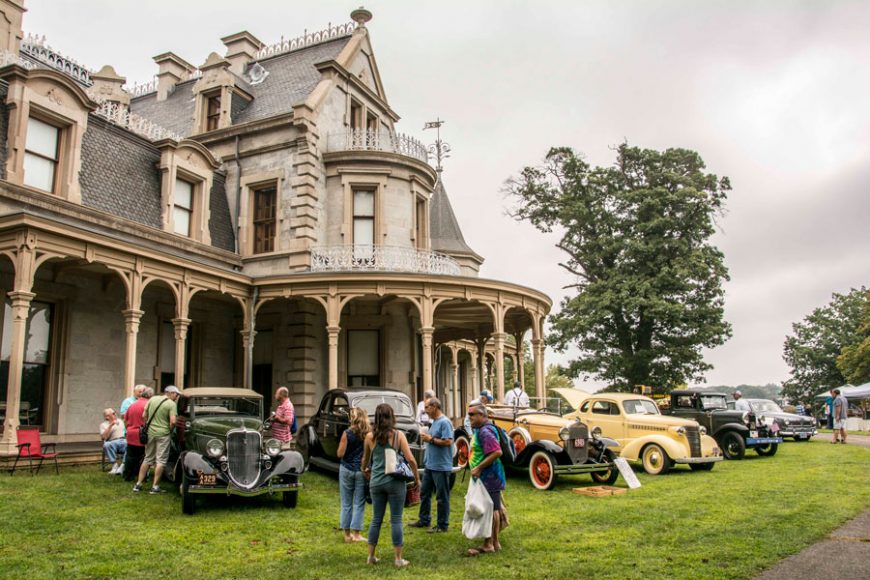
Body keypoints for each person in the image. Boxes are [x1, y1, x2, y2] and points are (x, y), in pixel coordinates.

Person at [361, 403, 420, 567]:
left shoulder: (369, 437)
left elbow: (365, 461)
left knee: (376, 520)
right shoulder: (398, 435)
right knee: (396, 520)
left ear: (377, 418)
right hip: (395, 482)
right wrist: (416, 478)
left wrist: (364, 470)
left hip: (376, 482)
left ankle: (371, 557)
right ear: (392, 417)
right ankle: (398, 559)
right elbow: (411, 459)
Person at [466, 400, 505, 556]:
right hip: (490, 476)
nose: (469, 417)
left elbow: (497, 452)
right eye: (468, 414)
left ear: (482, 415)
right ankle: (494, 542)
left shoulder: (484, 432)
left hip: (489, 476)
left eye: (472, 414)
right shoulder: (482, 429)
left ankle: (490, 543)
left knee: (492, 509)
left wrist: (478, 467)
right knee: (494, 508)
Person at [410, 397, 454, 533]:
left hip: (441, 466)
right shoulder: (434, 422)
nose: (425, 410)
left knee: (441, 497)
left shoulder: (445, 422)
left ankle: (442, 525)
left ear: (435, 406)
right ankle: (424, 520)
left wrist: (431, 439)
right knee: (424, 493)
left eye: (427, 407)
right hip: (430, 464)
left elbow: (448, 442)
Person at [133, 385, 179, 494]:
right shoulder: (171, 404)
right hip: (163, 434)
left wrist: (149, 425)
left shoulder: (152, 399)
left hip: (150, 433)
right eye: (176, 394)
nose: (177, 397)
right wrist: (170, 430)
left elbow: (144, 415)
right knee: (161, 460)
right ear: (171, 393)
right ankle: (155, 487)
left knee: (148, 458)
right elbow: (173, 421)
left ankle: (138, 484)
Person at [337, 407, 370, 543]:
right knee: (359, 502)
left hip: (346, 469)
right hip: (361, 470)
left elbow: (340, 454)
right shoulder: (368, 433)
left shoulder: (347, 433)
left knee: (346, 503)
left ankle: (347, 535)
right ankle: (356, 534)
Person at [123, 387, 152, 481]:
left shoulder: (132, 405)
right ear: (150, 396)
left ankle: (127, 476)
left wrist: (129, 428)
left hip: (131, 433)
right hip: (141, 434)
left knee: (130, 456)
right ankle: (142, 477)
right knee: (144, 457)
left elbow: (125, 420)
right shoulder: (148, 405)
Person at [99, 408, 127, 475]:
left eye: (115, 412)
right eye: (113, 413)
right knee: (106, 445)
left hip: (123, 440)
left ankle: (123, 466)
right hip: (112, 442)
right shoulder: (103, 425)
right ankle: (115, 466)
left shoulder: (120, 421)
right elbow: (104, 437)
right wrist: (111, 425)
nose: (115, 414)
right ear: (107, 417)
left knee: (131, 444)